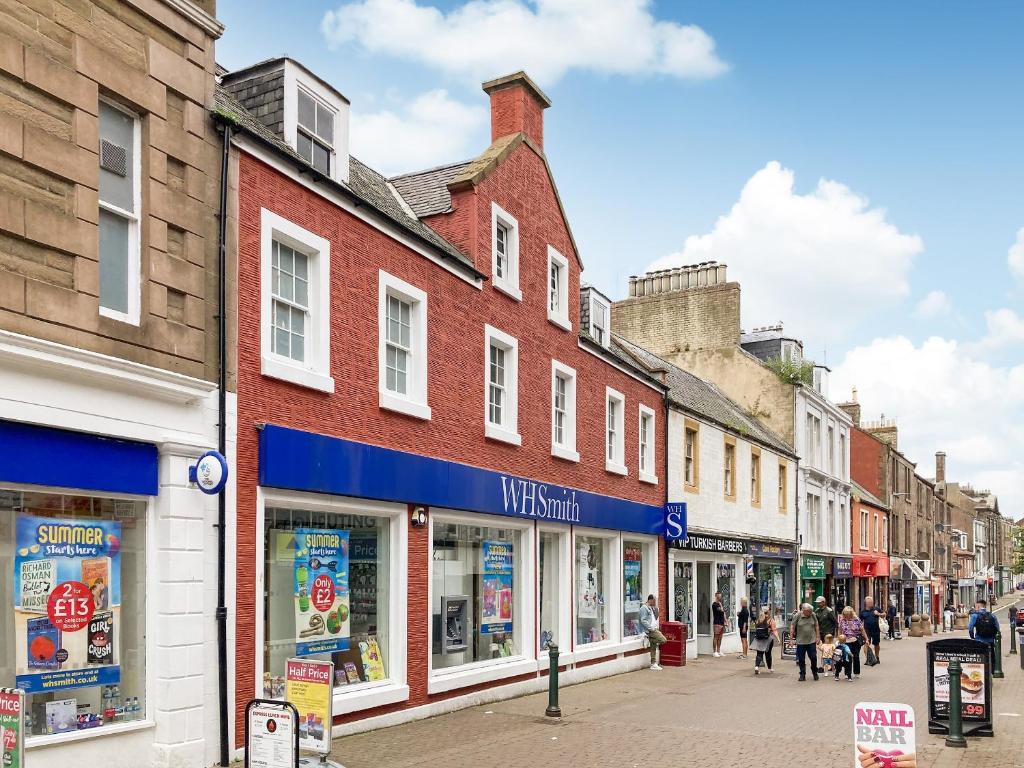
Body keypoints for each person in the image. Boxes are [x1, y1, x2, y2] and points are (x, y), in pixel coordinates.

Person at [791, 603, 821, 681]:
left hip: (811, 640)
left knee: (813, 657)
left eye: (811, 611)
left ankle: (814, 671)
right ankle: (802, 674)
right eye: (809, 611)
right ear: (804, 610)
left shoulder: (813, 615)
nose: (810, 613)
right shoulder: (797, 616)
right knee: (801, 659)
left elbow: (816, 625)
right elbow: (792, 627)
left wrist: (818, 637)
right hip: (801, 641)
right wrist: (791, 639)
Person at [838, 606, 868, 678]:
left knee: (856, 656)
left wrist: (867, 639)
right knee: (847, 657)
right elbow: (840, 630)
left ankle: (856, 673)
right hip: (846, 641)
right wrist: (839, 639)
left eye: (848, 614)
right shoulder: (842, 620)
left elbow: (862, 630)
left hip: (856, 640)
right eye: (845, 614)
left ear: (851, 613)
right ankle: (847, 673)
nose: (847, 616)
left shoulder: (856, 620)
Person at [968, 598, 1000, 665]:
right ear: (985, 606)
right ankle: (992, 671)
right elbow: (997, 628)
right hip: (990, 641)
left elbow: (970, 628)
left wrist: (972, 637)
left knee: (980, 658)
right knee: (991, 657)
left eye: (976, 606)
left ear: (978, 606)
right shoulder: (992, 615)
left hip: (979, 640)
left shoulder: (974, 616)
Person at [639, 594, 666, 670]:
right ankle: (649, 638)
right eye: (654, 601)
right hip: (651, 630)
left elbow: (655, 617)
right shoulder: (644, 608)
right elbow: (643, 620)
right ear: (650, 600)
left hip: (654, 629)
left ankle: (653, 664)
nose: (655, 603)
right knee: (663, 639)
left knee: (653, 646)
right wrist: (650, 628)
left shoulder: (651, 608)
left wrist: (655, 608)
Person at [750, 607, 779, 675]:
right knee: (768, 654)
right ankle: (770, 668)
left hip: (759, 639)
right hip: (767, 639)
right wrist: (778, 639)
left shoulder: (758, 621)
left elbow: (756, 628)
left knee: (759, 653)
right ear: (768, 613)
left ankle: (756, 667)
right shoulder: (770, 621)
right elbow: (774, 630)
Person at [813, 596, 837, 671]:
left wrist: (834, 633)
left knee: (828, 650)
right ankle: (827, 665)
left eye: (819, 603)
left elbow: (835, 622)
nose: (818, 604)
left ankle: (827, 666)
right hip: (821, 633)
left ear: (823, 602)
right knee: (824, 649)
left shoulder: (829, 611)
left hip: (828, 633)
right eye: (817, 603)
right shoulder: (817, 611)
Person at [860, 596, 883, 663]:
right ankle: (868, 658)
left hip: (876, 629)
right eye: (869, 602)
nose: (871, 603)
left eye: (871, 602)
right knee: (866, 643)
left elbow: (884, 614)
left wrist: (878, 614)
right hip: (867, 630)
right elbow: (859, 622)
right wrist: (860, 630)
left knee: (876, 644)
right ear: (866, 603)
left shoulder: (876, 609)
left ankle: (877, 657)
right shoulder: (863, 612)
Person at [711, 591, 726, 657]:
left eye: (720, 596)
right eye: (719, 596)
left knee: (720, 637)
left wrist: (726, 621)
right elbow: (722, 610)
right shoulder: (714, 604)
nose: (720, 597)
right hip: (717, 622)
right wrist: (721, 605)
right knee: (716, 637)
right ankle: (714, 652)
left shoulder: (720, 604)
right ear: (716, 596)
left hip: (721, 622)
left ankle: (719, 651)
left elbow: (723, 612)